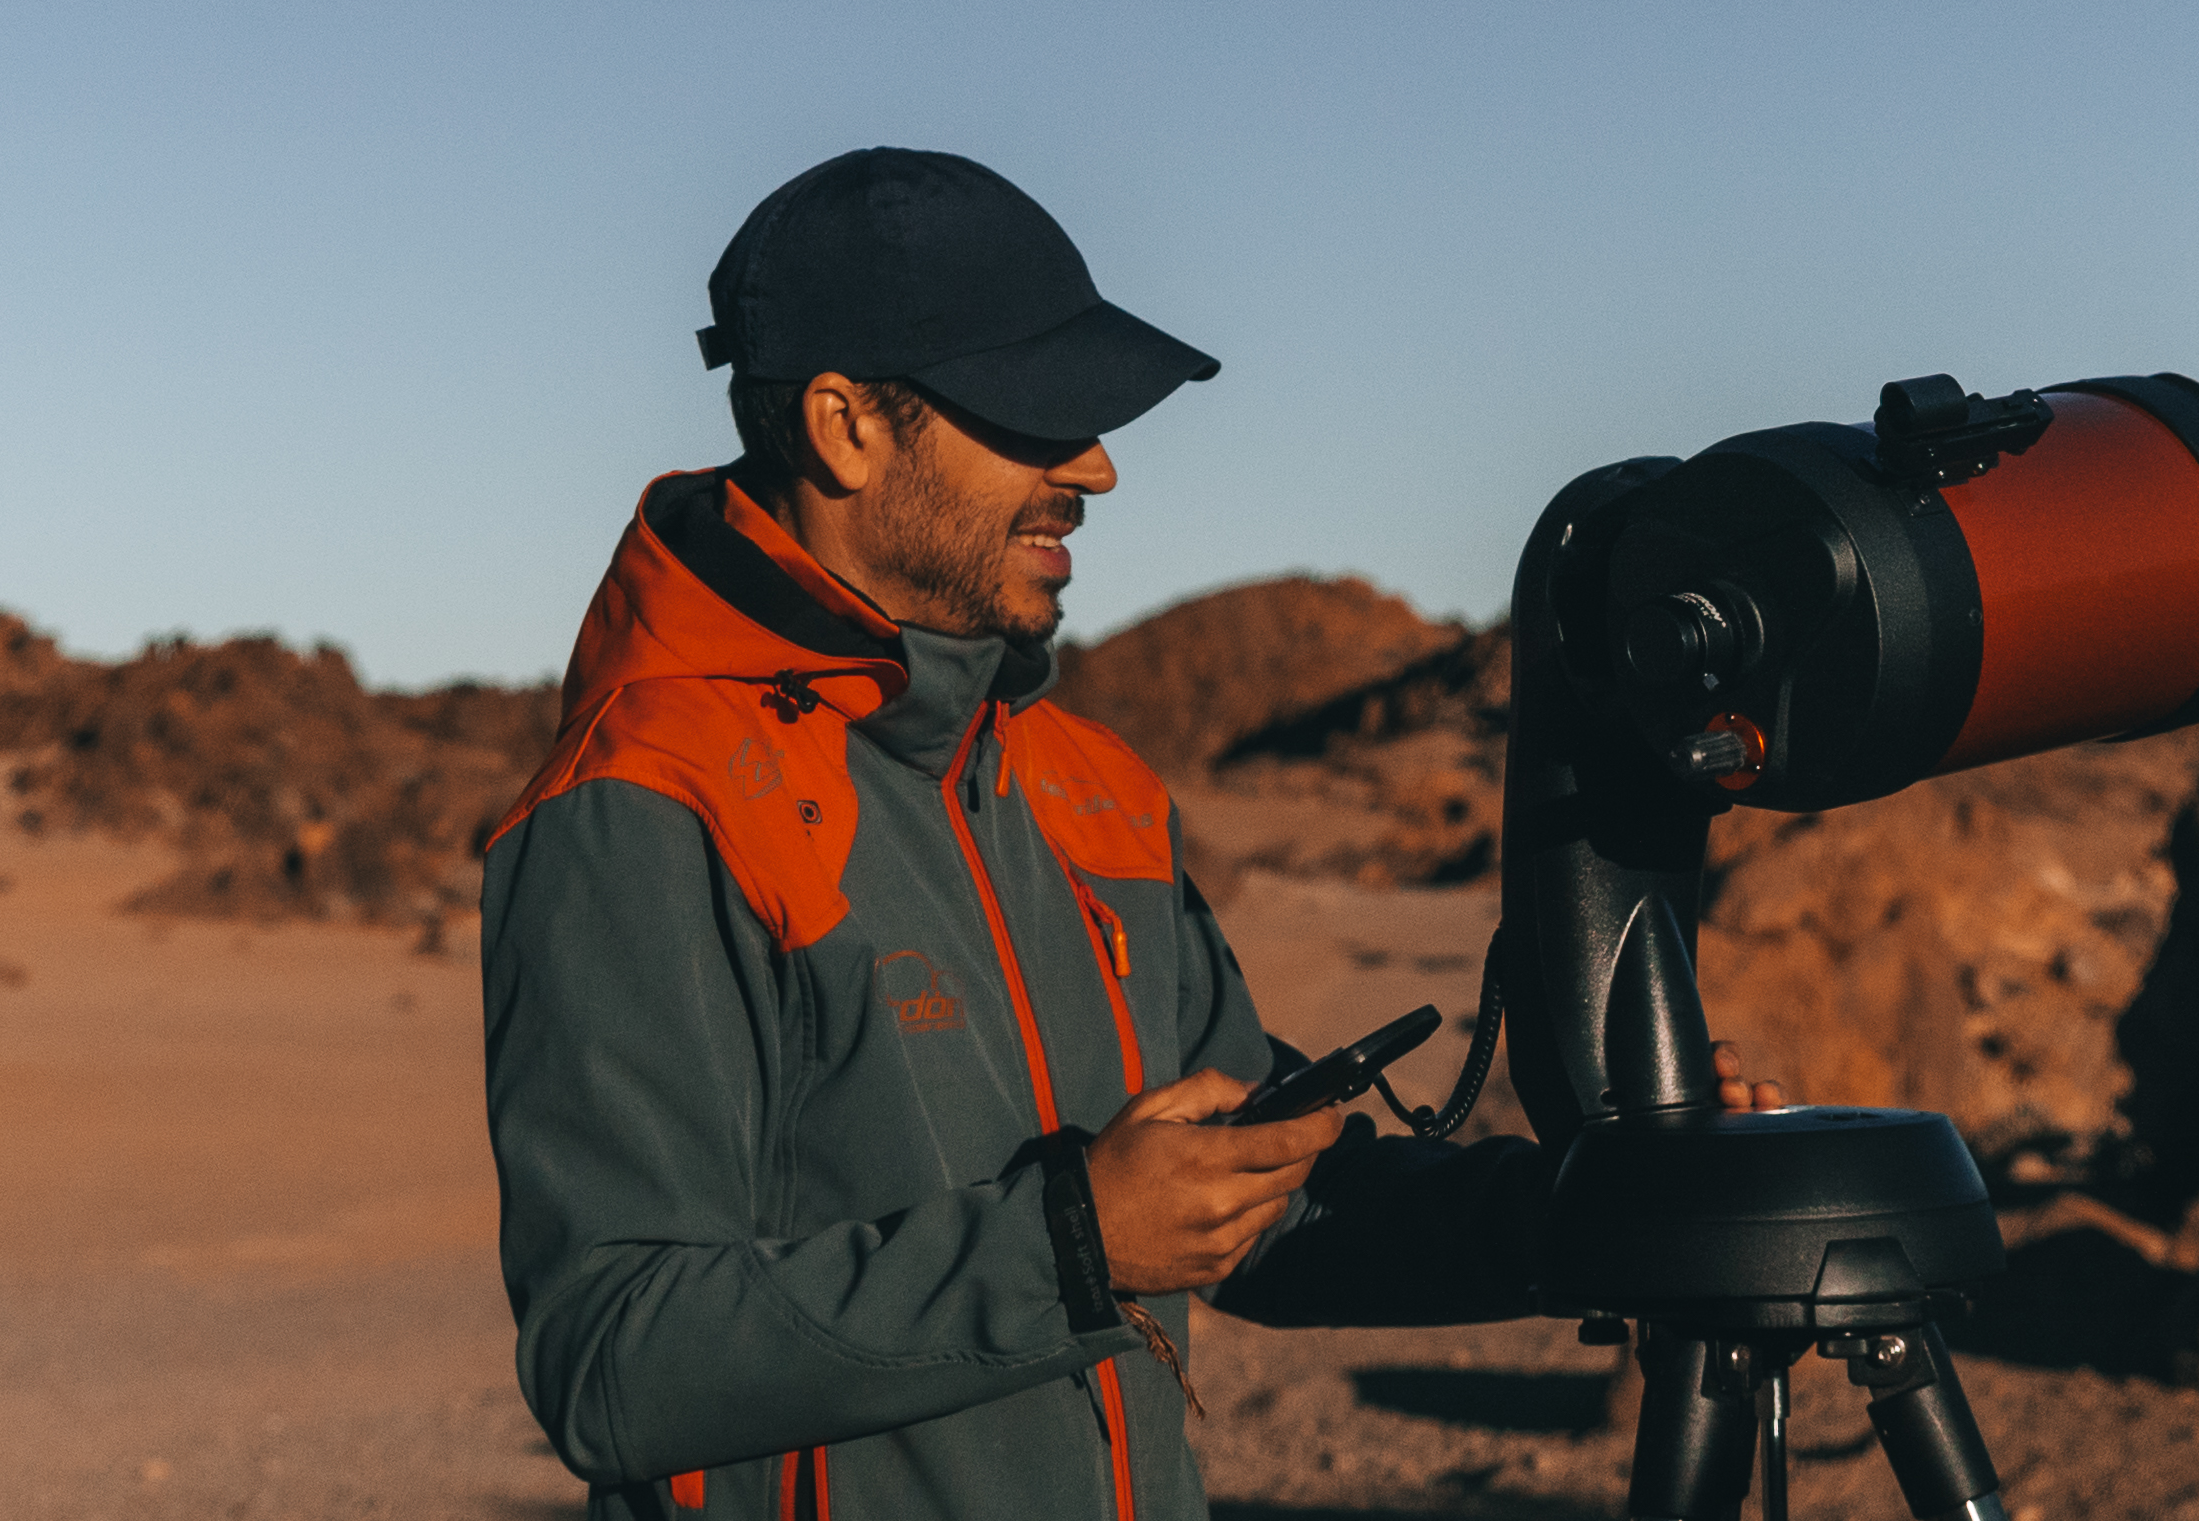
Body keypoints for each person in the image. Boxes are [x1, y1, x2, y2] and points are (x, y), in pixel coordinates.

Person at [480, 147, 1760, 1521]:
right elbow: (613, 1356)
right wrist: (1074, 1247)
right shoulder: (646, 805)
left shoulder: (1089, 791)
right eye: (1033, 415)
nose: (1092, 465)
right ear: (845, 426)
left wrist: (1592, 1211)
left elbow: (1262, 1210)